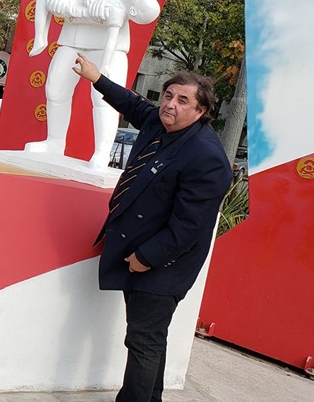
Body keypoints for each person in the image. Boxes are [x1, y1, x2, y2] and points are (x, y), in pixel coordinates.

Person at [72, 53, 232, 402]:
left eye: (182, 100)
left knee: (143, 341)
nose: (170, 105)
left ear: (200, 111)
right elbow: (132, 103)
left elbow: (189, 227)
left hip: (164, 265)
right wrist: (97, 78)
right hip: (140, 252)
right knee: (151, 339)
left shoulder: (207, 158)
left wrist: (145, 258)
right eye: (168, 96)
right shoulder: (160, 124)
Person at [28, 0, 160, 168]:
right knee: (55, 88)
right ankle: (55, 142)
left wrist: (113, 5)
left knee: (106, 96)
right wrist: (64, 2)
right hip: (74, 35)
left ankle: (101, 152)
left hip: (109, 40)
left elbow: (140, 3)